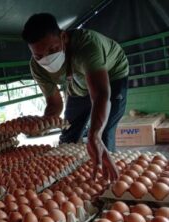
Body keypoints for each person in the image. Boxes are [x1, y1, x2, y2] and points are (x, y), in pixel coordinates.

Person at [22, 13, 129, 182]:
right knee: (68, 134)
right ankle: (66, 177)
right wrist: (43, 123)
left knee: (103, 132)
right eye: (38, 55)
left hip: (111, 75)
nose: (46, 59)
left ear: (63, 37)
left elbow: (100, 94)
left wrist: (94, 134)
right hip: (77, 83)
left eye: (52, 50)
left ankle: (109, 182)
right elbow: (55, 104)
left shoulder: (87, 45)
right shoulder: (37, 67)